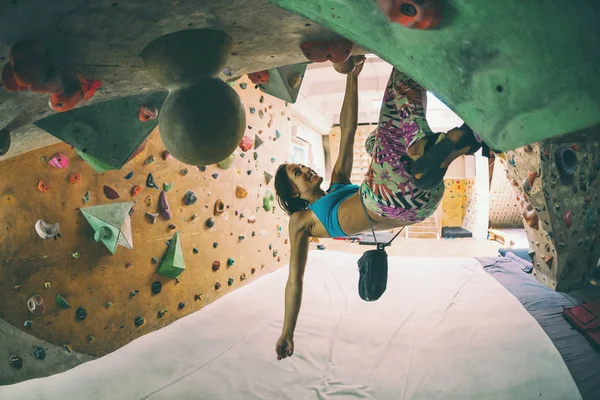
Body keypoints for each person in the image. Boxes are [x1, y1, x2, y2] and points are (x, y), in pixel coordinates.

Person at [273, 55, 482, 360]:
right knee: (401, 75)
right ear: (293, 191)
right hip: (384, 197)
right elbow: (295, 279)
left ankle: (432, 150)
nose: (304, 168)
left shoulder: (338, 183)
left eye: (301, 164)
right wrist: (287, 331)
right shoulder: (302, 220)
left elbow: (347, 129)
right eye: (297, 172)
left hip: (420, 203)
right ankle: (424, 148)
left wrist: (352, 76)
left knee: (373, 141)